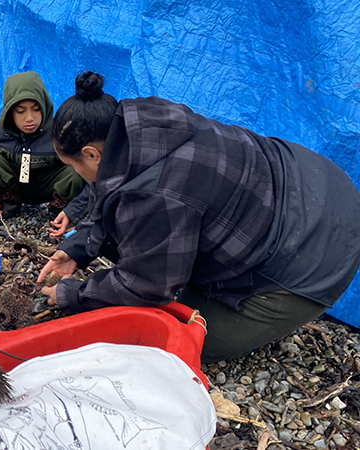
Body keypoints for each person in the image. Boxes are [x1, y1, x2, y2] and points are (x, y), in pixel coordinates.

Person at [38, 71, 360, 362]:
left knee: (175, 339)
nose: (77, 174)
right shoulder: (139, 123)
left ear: (92, 154)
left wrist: (73, 295)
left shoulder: (156, 196)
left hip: (318, 249)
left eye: (73, 165)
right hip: (309, 177)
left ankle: (275, 305)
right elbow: (107, 187)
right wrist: (78, 248)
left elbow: (145, 287)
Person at [0, 71, 87, 226]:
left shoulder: (60, 133)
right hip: (14, 186)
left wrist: (75, 211)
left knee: (78, 168)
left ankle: (60, 211)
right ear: (9, 112)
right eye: (20, 111)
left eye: (36, 109)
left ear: (45, 106)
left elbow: (90, 176)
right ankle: (8, 204)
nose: (30, 118)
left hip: (50, 186)